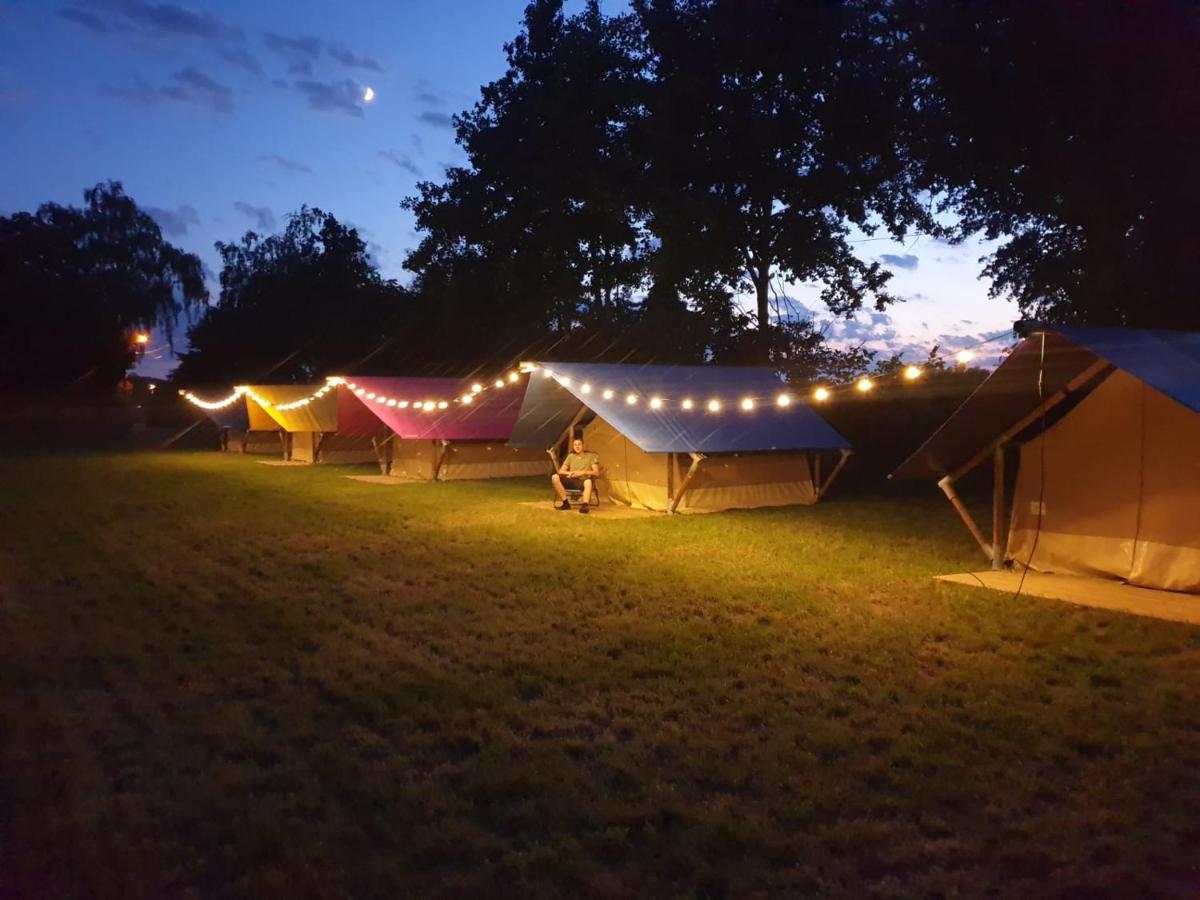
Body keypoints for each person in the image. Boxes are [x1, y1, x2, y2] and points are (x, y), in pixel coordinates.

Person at [552, 437, 601, 514]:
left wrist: (583, 473)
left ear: (583, 446)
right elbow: (561, 471)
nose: (577, 447)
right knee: (555, 477)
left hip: (582, 481)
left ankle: (585, 505)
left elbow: (596, 472)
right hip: (571, 480)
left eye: (579, 444)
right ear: (573, 447)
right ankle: (565, 503)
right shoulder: (571, 456)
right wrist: (571, 473)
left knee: (588, 481)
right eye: (575, 445)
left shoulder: (591, 456)